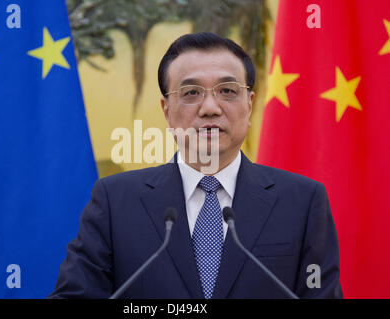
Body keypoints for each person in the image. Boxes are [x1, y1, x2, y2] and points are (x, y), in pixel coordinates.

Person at [49, 32, 342, 299]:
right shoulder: (115, 201)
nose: (210, 108)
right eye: (191, 93)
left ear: (249, 105)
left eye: (227, 91)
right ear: (167, 111)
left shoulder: (302, 202)